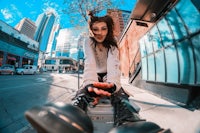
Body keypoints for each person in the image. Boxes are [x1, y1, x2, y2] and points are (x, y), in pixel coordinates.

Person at [72, 11, 141, 127]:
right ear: (91, 30)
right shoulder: (88, 41)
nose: (100, 33)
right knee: (83, 93)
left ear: (108, 29)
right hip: (94, 75)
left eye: (103, 28)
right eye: (96, 29)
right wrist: (89, 84)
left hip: (109, 75)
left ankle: (127, 120)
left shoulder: (113, 43)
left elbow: (113, 65)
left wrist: (112, 84)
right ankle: (74, 116)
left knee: (119, 95)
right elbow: (89, 62)